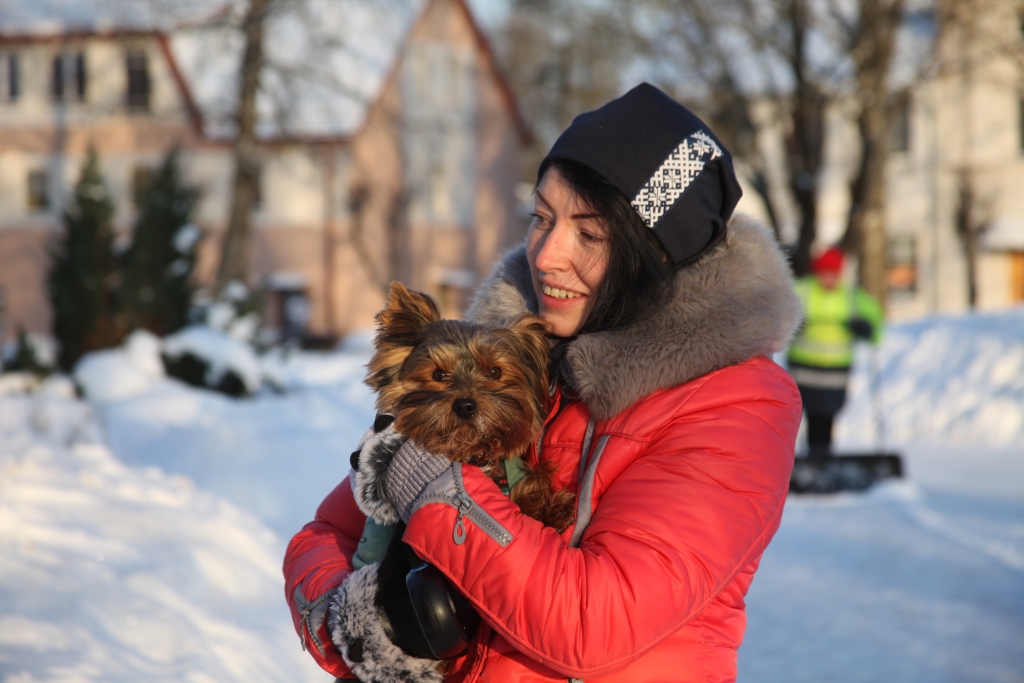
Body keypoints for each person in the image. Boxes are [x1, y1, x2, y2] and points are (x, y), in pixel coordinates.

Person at [284, 83, 803, 683]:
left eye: (590, 233)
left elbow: (594, 624)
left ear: (655, 255)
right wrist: (361, 624)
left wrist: (441, 498)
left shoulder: (738, 404)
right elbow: (322, 538)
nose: (546, 254)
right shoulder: (509, 364)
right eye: (542, 217)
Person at [787, 246, 883, 457]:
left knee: (828, 414)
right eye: (824, 273)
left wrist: (866, 328)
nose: (828, 279)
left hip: (836, 372)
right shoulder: (802, 291)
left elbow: (875, 323)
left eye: (832, 274)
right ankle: (810, 457)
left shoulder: (852, 297)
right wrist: (794, 325)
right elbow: (780, 317)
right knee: (809, 414)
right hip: (805, 369)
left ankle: (823, 456)